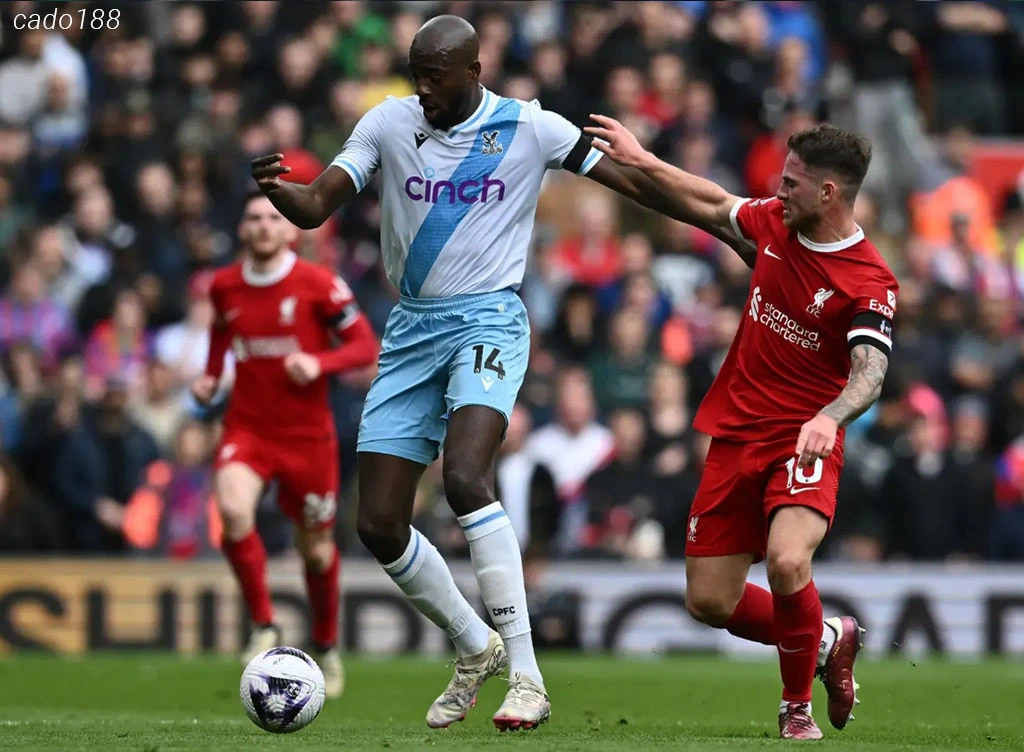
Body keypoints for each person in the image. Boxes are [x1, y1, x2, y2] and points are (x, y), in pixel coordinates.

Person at [250, 15, 750, 732]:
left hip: (488, 317)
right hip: (413, 325)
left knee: (464, 479)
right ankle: (473, 642)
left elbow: (635, 185)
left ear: (472, 68)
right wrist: (281, 191)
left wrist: (726, 230)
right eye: (415, 73)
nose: (421, 89)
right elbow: (315, 204)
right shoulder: (389, 123)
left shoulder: (530, 128)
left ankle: (527, 676)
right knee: (380, 523)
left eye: (434, 76)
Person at [585, 114, 898, 739]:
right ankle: (829, 636)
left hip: (803, 438)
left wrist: (829, 417)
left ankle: (794, 708)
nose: (778, 191)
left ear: (828, 193)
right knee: (708, 601)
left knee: (787, 562)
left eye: (791, 183)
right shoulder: (775, 226)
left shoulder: (869, 280)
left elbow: (871, 372)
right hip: (737, 433)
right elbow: (706, 201)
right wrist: (641, 161)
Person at [190, 190, 379, 699]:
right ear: (243, 230)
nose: (263, 226)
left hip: (307, 438)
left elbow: (365, 345)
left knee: (315, 552)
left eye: (273, 218)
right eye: (253, 218)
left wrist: (320, 364)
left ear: (292, 231)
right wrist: (210, 379)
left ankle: (325, 645)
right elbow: (221, 341)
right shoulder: (225, 286)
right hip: (247, 428)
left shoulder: (318, 284)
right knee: (231, 509)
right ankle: (263, 625)